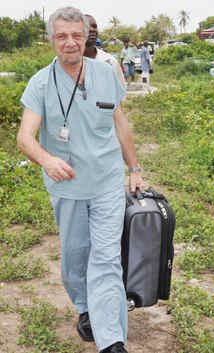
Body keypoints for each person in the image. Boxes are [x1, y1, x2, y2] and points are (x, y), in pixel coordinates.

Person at [17, 6, 144, 353]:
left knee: (105, 258)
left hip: (106, 182)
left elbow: (120, 124)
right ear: (52, 40)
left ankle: (111, 341)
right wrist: (46, 159)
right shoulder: (40, 83)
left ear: (87, 35)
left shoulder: (106, 73)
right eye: (62, 36)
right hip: (68, 186)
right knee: (76, 256)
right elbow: (25, 137)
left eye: (77, 35)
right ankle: (85, 307)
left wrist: (133, 169)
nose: (70, 42)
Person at [84, 14, 126, 88]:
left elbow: (120, 92)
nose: (92, 29)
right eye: (86, 26)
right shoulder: (65, 62)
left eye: (94, 26)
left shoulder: (110, 61)